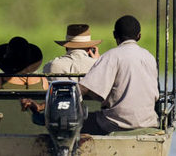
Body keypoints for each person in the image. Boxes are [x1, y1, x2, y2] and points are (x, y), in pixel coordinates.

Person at [22, 15, 159, 135]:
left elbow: (83, 90)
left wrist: (41, 106)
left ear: (114, 34)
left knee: (69, 122)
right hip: (149, 122)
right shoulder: (149, 57)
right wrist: (97, 61)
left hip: (116, 124)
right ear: (139, 36)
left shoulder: (111, 57)